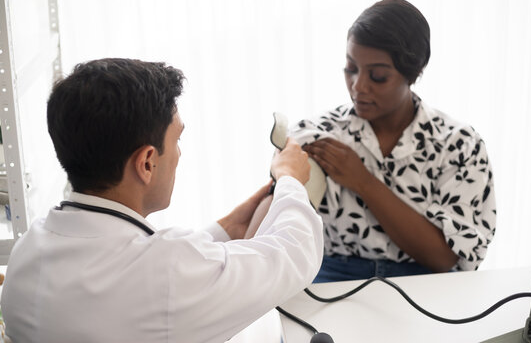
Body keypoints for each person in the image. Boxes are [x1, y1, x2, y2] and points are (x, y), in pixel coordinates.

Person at [0, 58, 324, 342]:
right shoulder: (168, 274)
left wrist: (226, 228)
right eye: (178, 139)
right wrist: (290, 178)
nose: (180, 154)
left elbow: (136, 276)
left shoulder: (28, 251)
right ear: (146, 163)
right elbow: (295, 253)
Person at [249, 0, 496, 283]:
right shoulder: (317, 135)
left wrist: (363, 182)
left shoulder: (460, 145)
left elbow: (443, 258)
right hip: (330, 276)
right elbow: (270, 227)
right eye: (350, 69)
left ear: (414, 72)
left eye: (377, 76)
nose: (358, 86)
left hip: (426, 282)